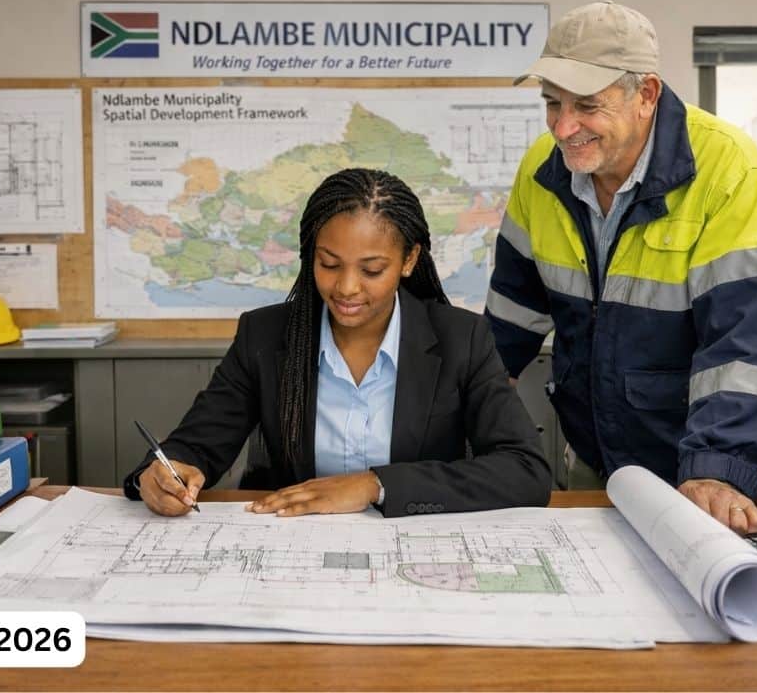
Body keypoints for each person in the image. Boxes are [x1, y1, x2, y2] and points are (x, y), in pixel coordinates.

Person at [485, 1, 757, 534]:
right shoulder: (543, 169)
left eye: (586, 105)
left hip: (701, 469)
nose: (564, 128)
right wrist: (454, 422)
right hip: (597, 459)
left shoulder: (728, 169)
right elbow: (509, 321)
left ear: (647, 95)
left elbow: (747, 347)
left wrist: (717, 468)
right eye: (552, 103)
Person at [124, 168, 554, 518]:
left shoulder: (462, 339)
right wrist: (163, 472)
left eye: (371, 270)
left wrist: (375, 485)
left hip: (414, 552)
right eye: (329, 264)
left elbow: (525, 469)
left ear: (409, 260)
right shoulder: (266, 335)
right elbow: (195, 444)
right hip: (290, 551)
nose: (347, 287)